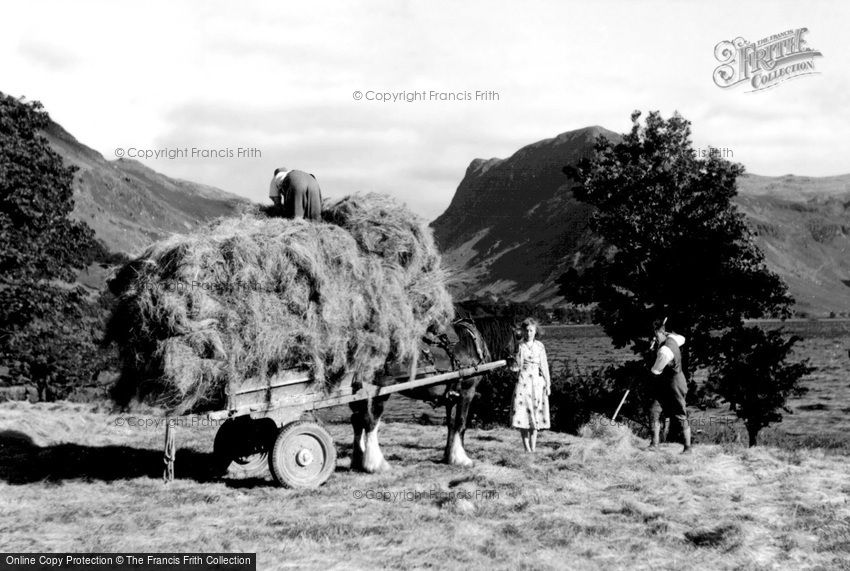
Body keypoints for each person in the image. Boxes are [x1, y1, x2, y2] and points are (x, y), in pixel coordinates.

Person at [648, 317, 692, 453]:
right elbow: (682, 338)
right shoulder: (674, 338)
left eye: (653, 335)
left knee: (680, 414)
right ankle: (654, 444)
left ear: (656, 332)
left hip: (675, 382)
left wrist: (650, 354)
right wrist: (662, 338)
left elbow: (655, 371)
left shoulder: (664, 351)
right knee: (654, 410)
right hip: (666, 381)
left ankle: (688, 448)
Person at [510, 317, 551, 452]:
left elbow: (544, 366)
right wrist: (511, 365)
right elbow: (517, 367)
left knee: (535, 415)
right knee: (523, 414)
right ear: (523, 331)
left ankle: (533, 448)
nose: (529, 333)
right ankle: (527, 448)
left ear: (535, 331)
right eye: (526, 330)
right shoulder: (520, 347)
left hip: (538, 383)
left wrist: (548, 384)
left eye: (531, 330)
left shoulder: (540, 346)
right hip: (523, 383)